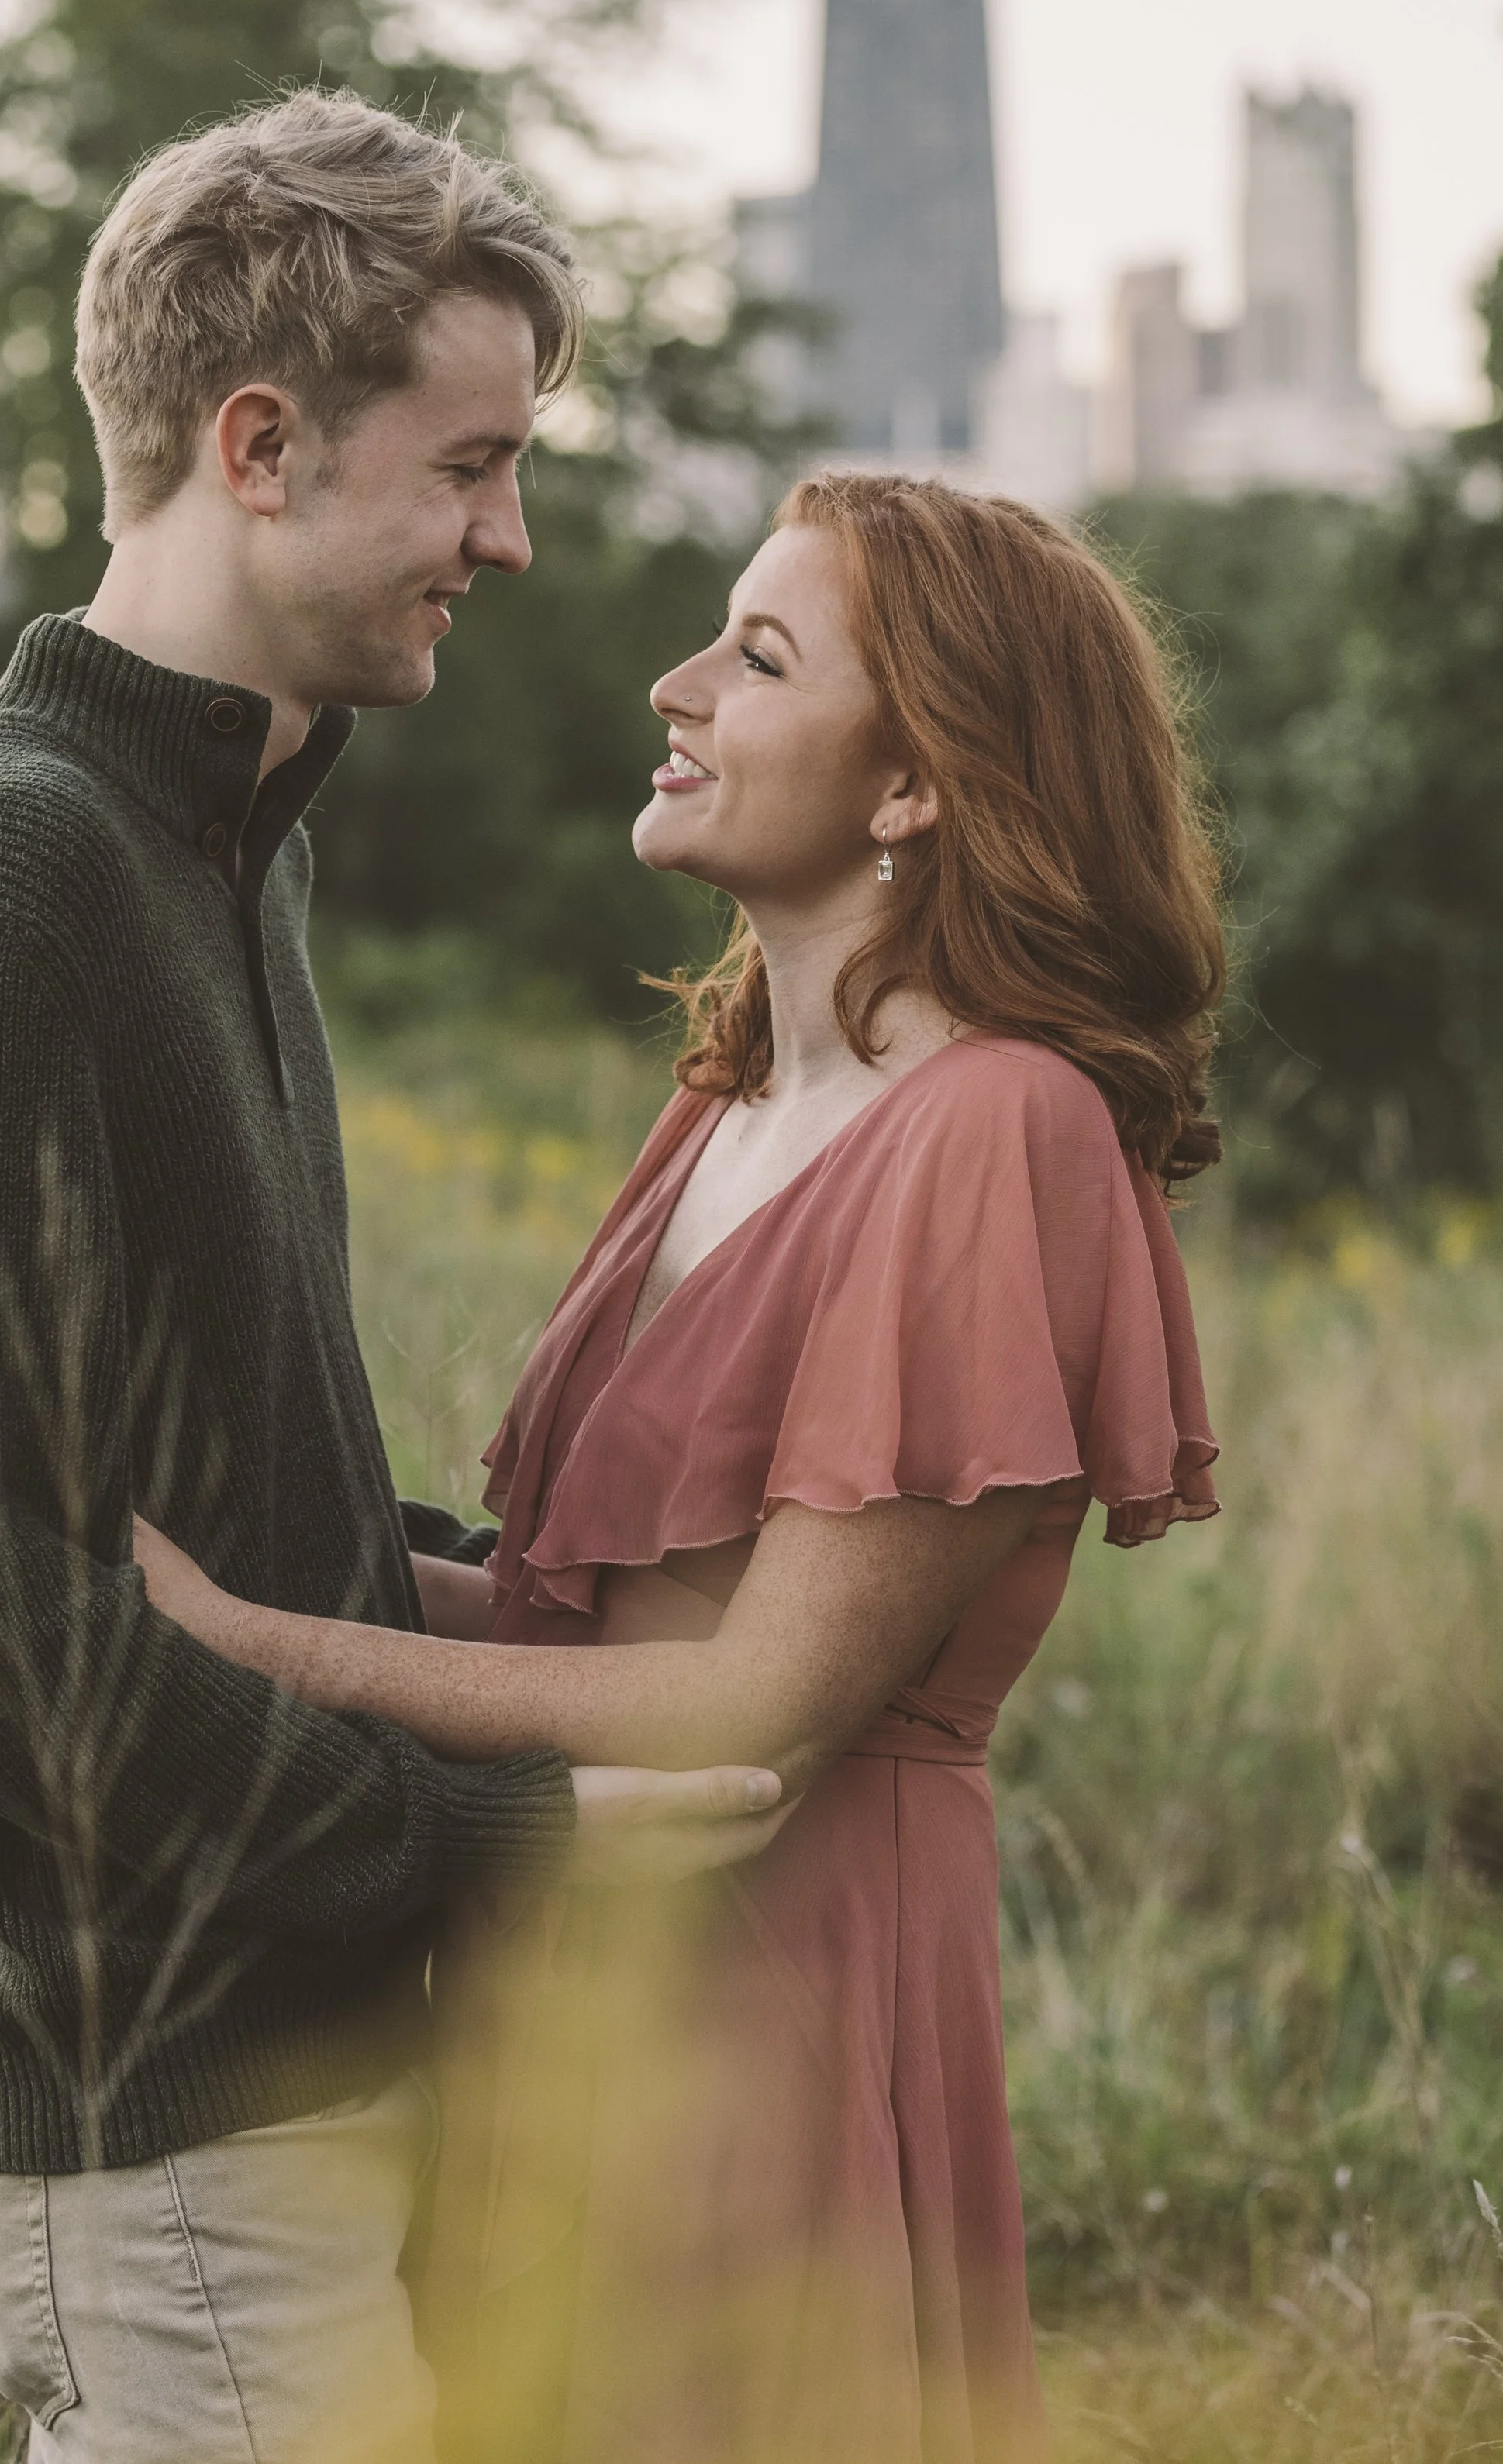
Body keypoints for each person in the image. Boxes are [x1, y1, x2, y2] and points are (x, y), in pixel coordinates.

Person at [0, 90, 786, 2464]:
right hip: (153, 2095)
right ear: (256, 442)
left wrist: (515, 1630)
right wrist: (461, 1836)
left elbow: (193, 1471)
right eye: (465, 465)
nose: (510, 535)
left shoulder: (218, 835)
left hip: (276, 2072)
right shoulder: (9, 873)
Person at [134, 468, 1227, 2463]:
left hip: (773, 1990)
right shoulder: (725, 1099)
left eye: (758, 652)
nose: (675, 682)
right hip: (557, 1973)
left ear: (912, 784)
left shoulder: (998, 1131)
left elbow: (750, 1699)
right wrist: (239, 1532)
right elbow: (576, 1607)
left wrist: (253, 1640)